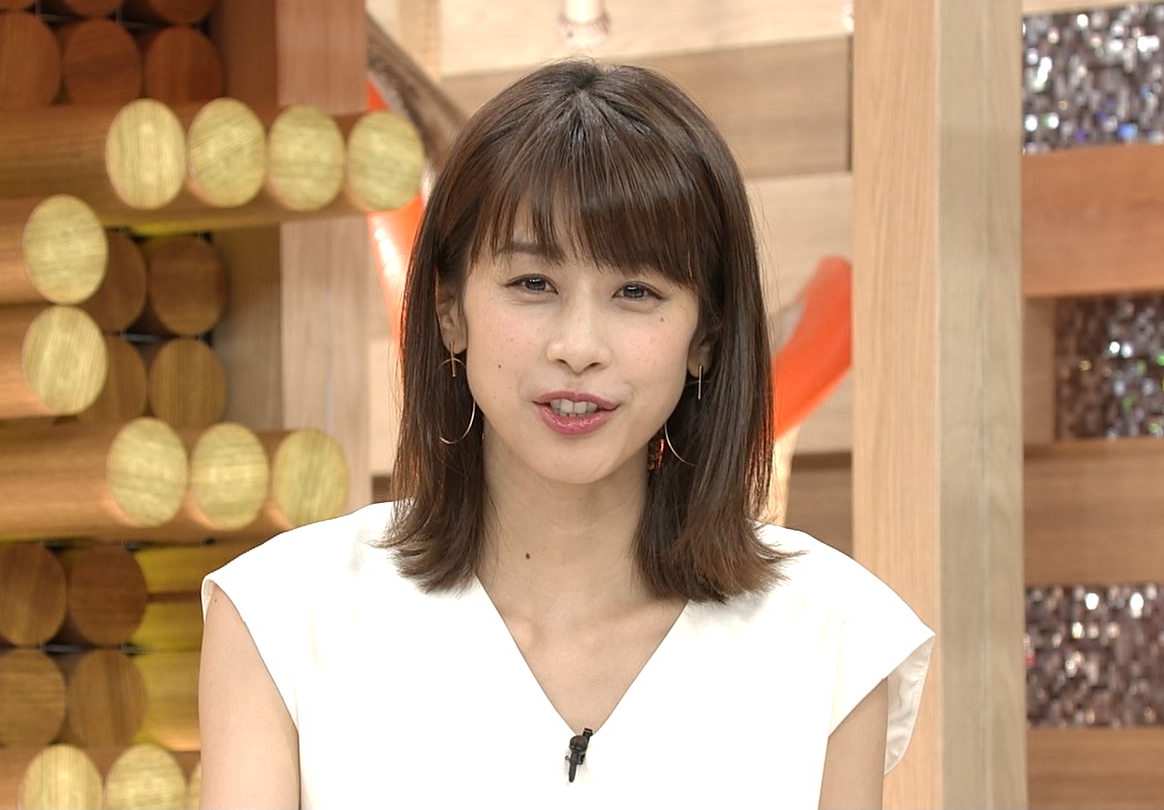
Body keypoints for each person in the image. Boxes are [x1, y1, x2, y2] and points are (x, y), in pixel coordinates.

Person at [198, 60, 934, 809]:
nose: (579, 346)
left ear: (705, 338)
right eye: (533, 284)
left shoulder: (831, 632)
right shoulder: (281, 617)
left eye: (636, 291)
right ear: (450, 310)